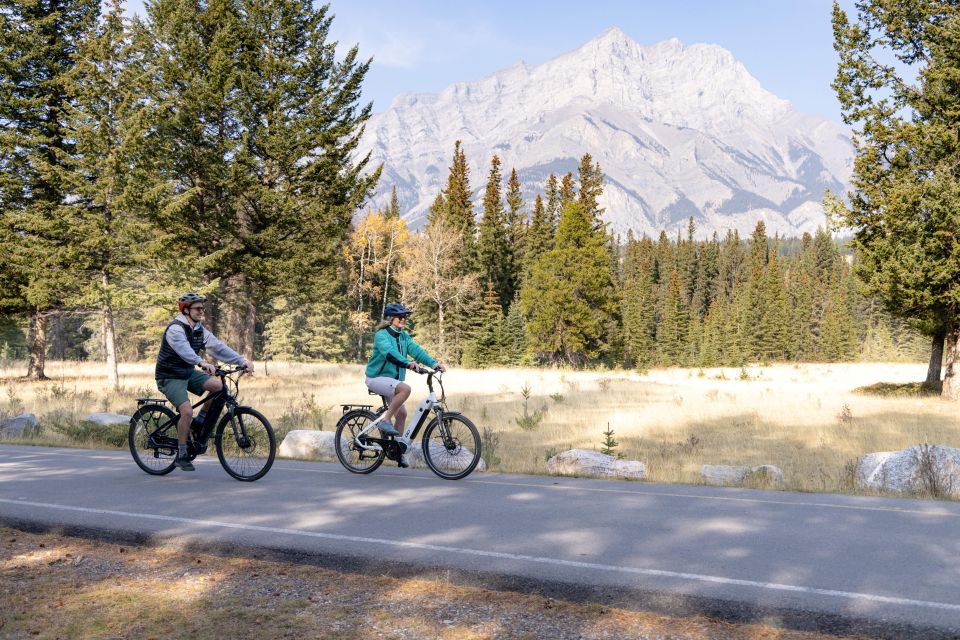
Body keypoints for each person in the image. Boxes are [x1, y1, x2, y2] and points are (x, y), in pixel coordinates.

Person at [155, 293, 252, 471]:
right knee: (186, 411)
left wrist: (241, 360)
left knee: (218, 387)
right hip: (169, 376)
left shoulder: (199, 329)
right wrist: (202, 363)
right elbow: (184, 350)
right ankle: (182, 453)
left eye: (203, 308)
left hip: (187, 372)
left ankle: (199, 423)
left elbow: (217, 347)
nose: (201, 311)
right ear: (185, 310)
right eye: (197, 308)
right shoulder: (175, 329)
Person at [364, 303, 445, 467]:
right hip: (376, 378)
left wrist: (434, 364)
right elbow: (390, 354)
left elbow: (417, 351)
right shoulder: (381, 335)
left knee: (401, 415)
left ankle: (397, 451)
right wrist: (408, 364)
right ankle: (385, 420)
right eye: (400, 317)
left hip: (391, 382)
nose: (403, 319)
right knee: (405, 389)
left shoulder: (403, 336)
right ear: (391, 318)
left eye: (405, 317)